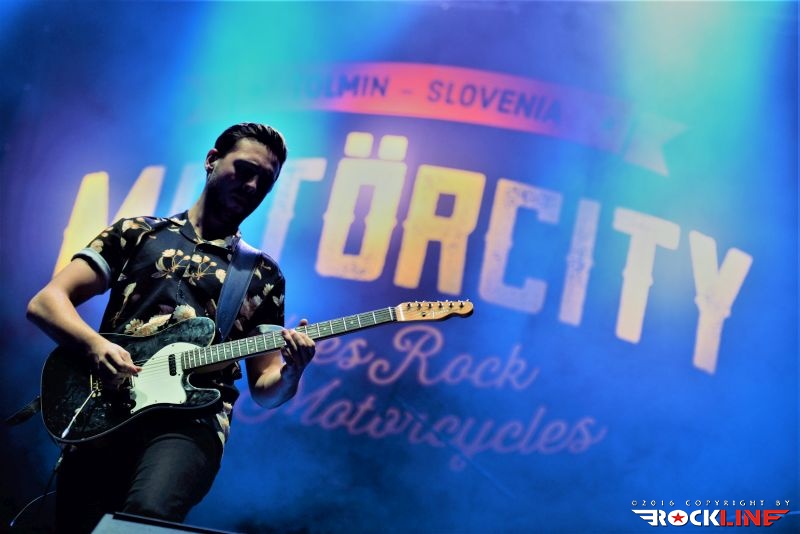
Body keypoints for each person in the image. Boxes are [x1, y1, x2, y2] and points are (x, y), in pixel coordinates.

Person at [26, 123, 316, 532]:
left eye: (264, 181)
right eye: (245, 170)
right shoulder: (137, 233)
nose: (252, 186)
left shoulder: (263, 275)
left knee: (148, 515)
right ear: (212, 160)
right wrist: (94, 345)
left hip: (192, 423)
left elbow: (266, 388)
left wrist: (291, 373)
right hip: (108, 407)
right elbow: (46, 302)